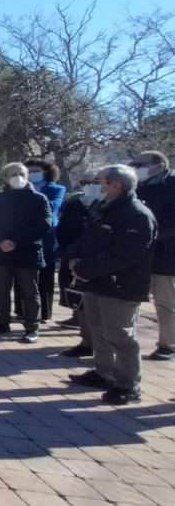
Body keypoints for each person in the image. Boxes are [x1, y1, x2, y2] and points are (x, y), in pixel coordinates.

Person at [62, 165, 157, 405]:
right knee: (98, 329)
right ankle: (103, 373)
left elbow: (125, 255)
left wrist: (84, 268)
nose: (97, 185)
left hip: (120, 286)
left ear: (117, 185)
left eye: (101, 181)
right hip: (93, 282)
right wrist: (73, 259)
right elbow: (84, 238)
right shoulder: (102, 208)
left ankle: (128, 384)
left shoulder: (137, 214)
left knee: (120, 335)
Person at [0, 162, 51, 343]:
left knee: (29, 292)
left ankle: (32, 328)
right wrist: (1, 240)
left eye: (21, 173)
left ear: (27, 176)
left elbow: (44, 225)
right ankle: (3, 322)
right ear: (5, 178)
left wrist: (16, 242)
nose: (17, 177)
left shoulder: (39, 199)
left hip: (28, 253)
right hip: (1, 252)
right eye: (12, 174)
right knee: (2, 290)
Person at [130, 151, 175, 360]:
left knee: (165, 303)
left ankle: (168, 344)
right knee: (128, 300)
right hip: (137, 255)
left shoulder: (172, 185)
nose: (136, 167)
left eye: (141, 164)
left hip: (165, 255)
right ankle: (125, 344)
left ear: (159, 165)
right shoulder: (137, 186)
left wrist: (150, 239)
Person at [57, 169, 101, 357]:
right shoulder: (76, 201)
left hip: (100, 264)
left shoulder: (110, 206)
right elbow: (64, 228)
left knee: (101, 311)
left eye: (96, 182)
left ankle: (102, 351)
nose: (89, 186)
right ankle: (86, 341)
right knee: (81, 301)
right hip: (74, 257)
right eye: (86, 182)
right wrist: (70, 254)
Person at [25, 158, 66, 322]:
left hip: (46, 236)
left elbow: (51, 206)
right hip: (24, 235)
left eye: (37, 171)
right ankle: (23, 310)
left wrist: (31, 193)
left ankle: (44, 313)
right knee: (24, 275)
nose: (33, 174)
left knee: (45, 275)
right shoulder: (18, 188)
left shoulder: (57, 189)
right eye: (30, 171)